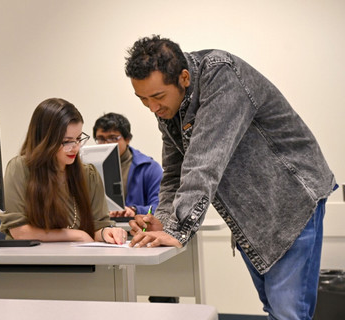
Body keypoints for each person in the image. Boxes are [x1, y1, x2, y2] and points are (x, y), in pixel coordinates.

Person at [124, 35, 337, 319]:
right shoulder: (169, 107)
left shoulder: (221, 76)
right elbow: (176, 171)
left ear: (184, 78)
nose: (152, 108)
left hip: (292, 201)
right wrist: (163, 218)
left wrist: (178, 230)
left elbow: (203, 161)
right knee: (276, 309)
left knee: (288, 314)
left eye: (158, 97)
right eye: (143, 99)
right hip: (253, 214)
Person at [0, 98, 127, 244]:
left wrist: (107, 232)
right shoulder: (19, 169)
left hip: (77, 262)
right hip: (30, 262)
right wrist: (77, 235)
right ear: (45, 140)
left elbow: (98, 228)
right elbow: (20, 232)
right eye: (66, 141)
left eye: (78, 139)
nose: (75, 148)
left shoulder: (88, 175)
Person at [93, 112, 162, 217]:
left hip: (136, 228)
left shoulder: (150, 168)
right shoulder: (90, 167)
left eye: (113, 138)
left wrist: (135, 210)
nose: (106, 144)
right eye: (101, 139)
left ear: (127, 139)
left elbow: (160, 207)